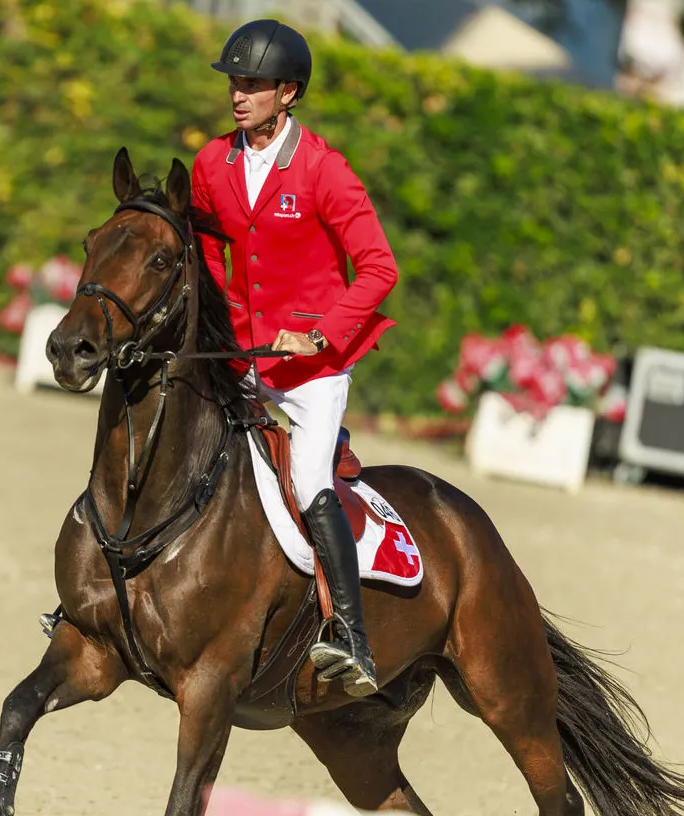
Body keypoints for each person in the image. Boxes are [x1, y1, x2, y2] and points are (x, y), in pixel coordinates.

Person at [190, 19, 400, 697]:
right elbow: (206, 252)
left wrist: (319, 335)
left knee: (309, 480)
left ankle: (352, 638)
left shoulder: (323, 170)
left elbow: (377, 268)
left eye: (252, 84)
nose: (238, 94)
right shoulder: (209, 165)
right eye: (234, 81)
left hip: (310, 369)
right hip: (239, 357)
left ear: (288, 93)